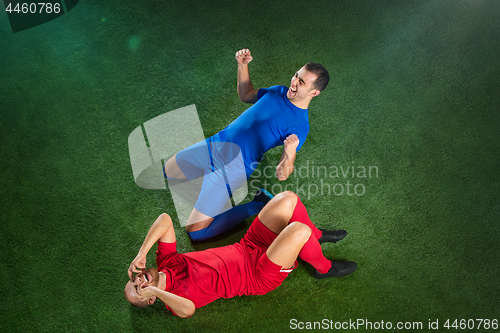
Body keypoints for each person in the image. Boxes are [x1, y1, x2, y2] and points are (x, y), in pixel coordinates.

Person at [163, 49, 330, 241]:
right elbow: (246, 95)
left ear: (314, 92)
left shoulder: (300, 125)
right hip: (215, 145)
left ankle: (258, 204)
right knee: (168, 172)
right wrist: (242, 66)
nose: (293, 82)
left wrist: (290, 153)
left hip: (233, 169)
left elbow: (282, 175)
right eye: (296, 76)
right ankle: (207, 181)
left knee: (196, 233)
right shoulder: (278, 91)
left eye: (301, 82)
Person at [124, 191, 357, 317]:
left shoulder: (165, 261)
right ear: (151, 299)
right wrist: (155, 289)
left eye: (132, 281)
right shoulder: (173, 301)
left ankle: (315, 237)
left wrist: (141, 252)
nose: (137, 281)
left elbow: (164, 219)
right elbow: (188, 310)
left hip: (249, 245)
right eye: (138, 290)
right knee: (298, 231)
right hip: (258, 274)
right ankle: (323, 269)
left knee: (287, 200)